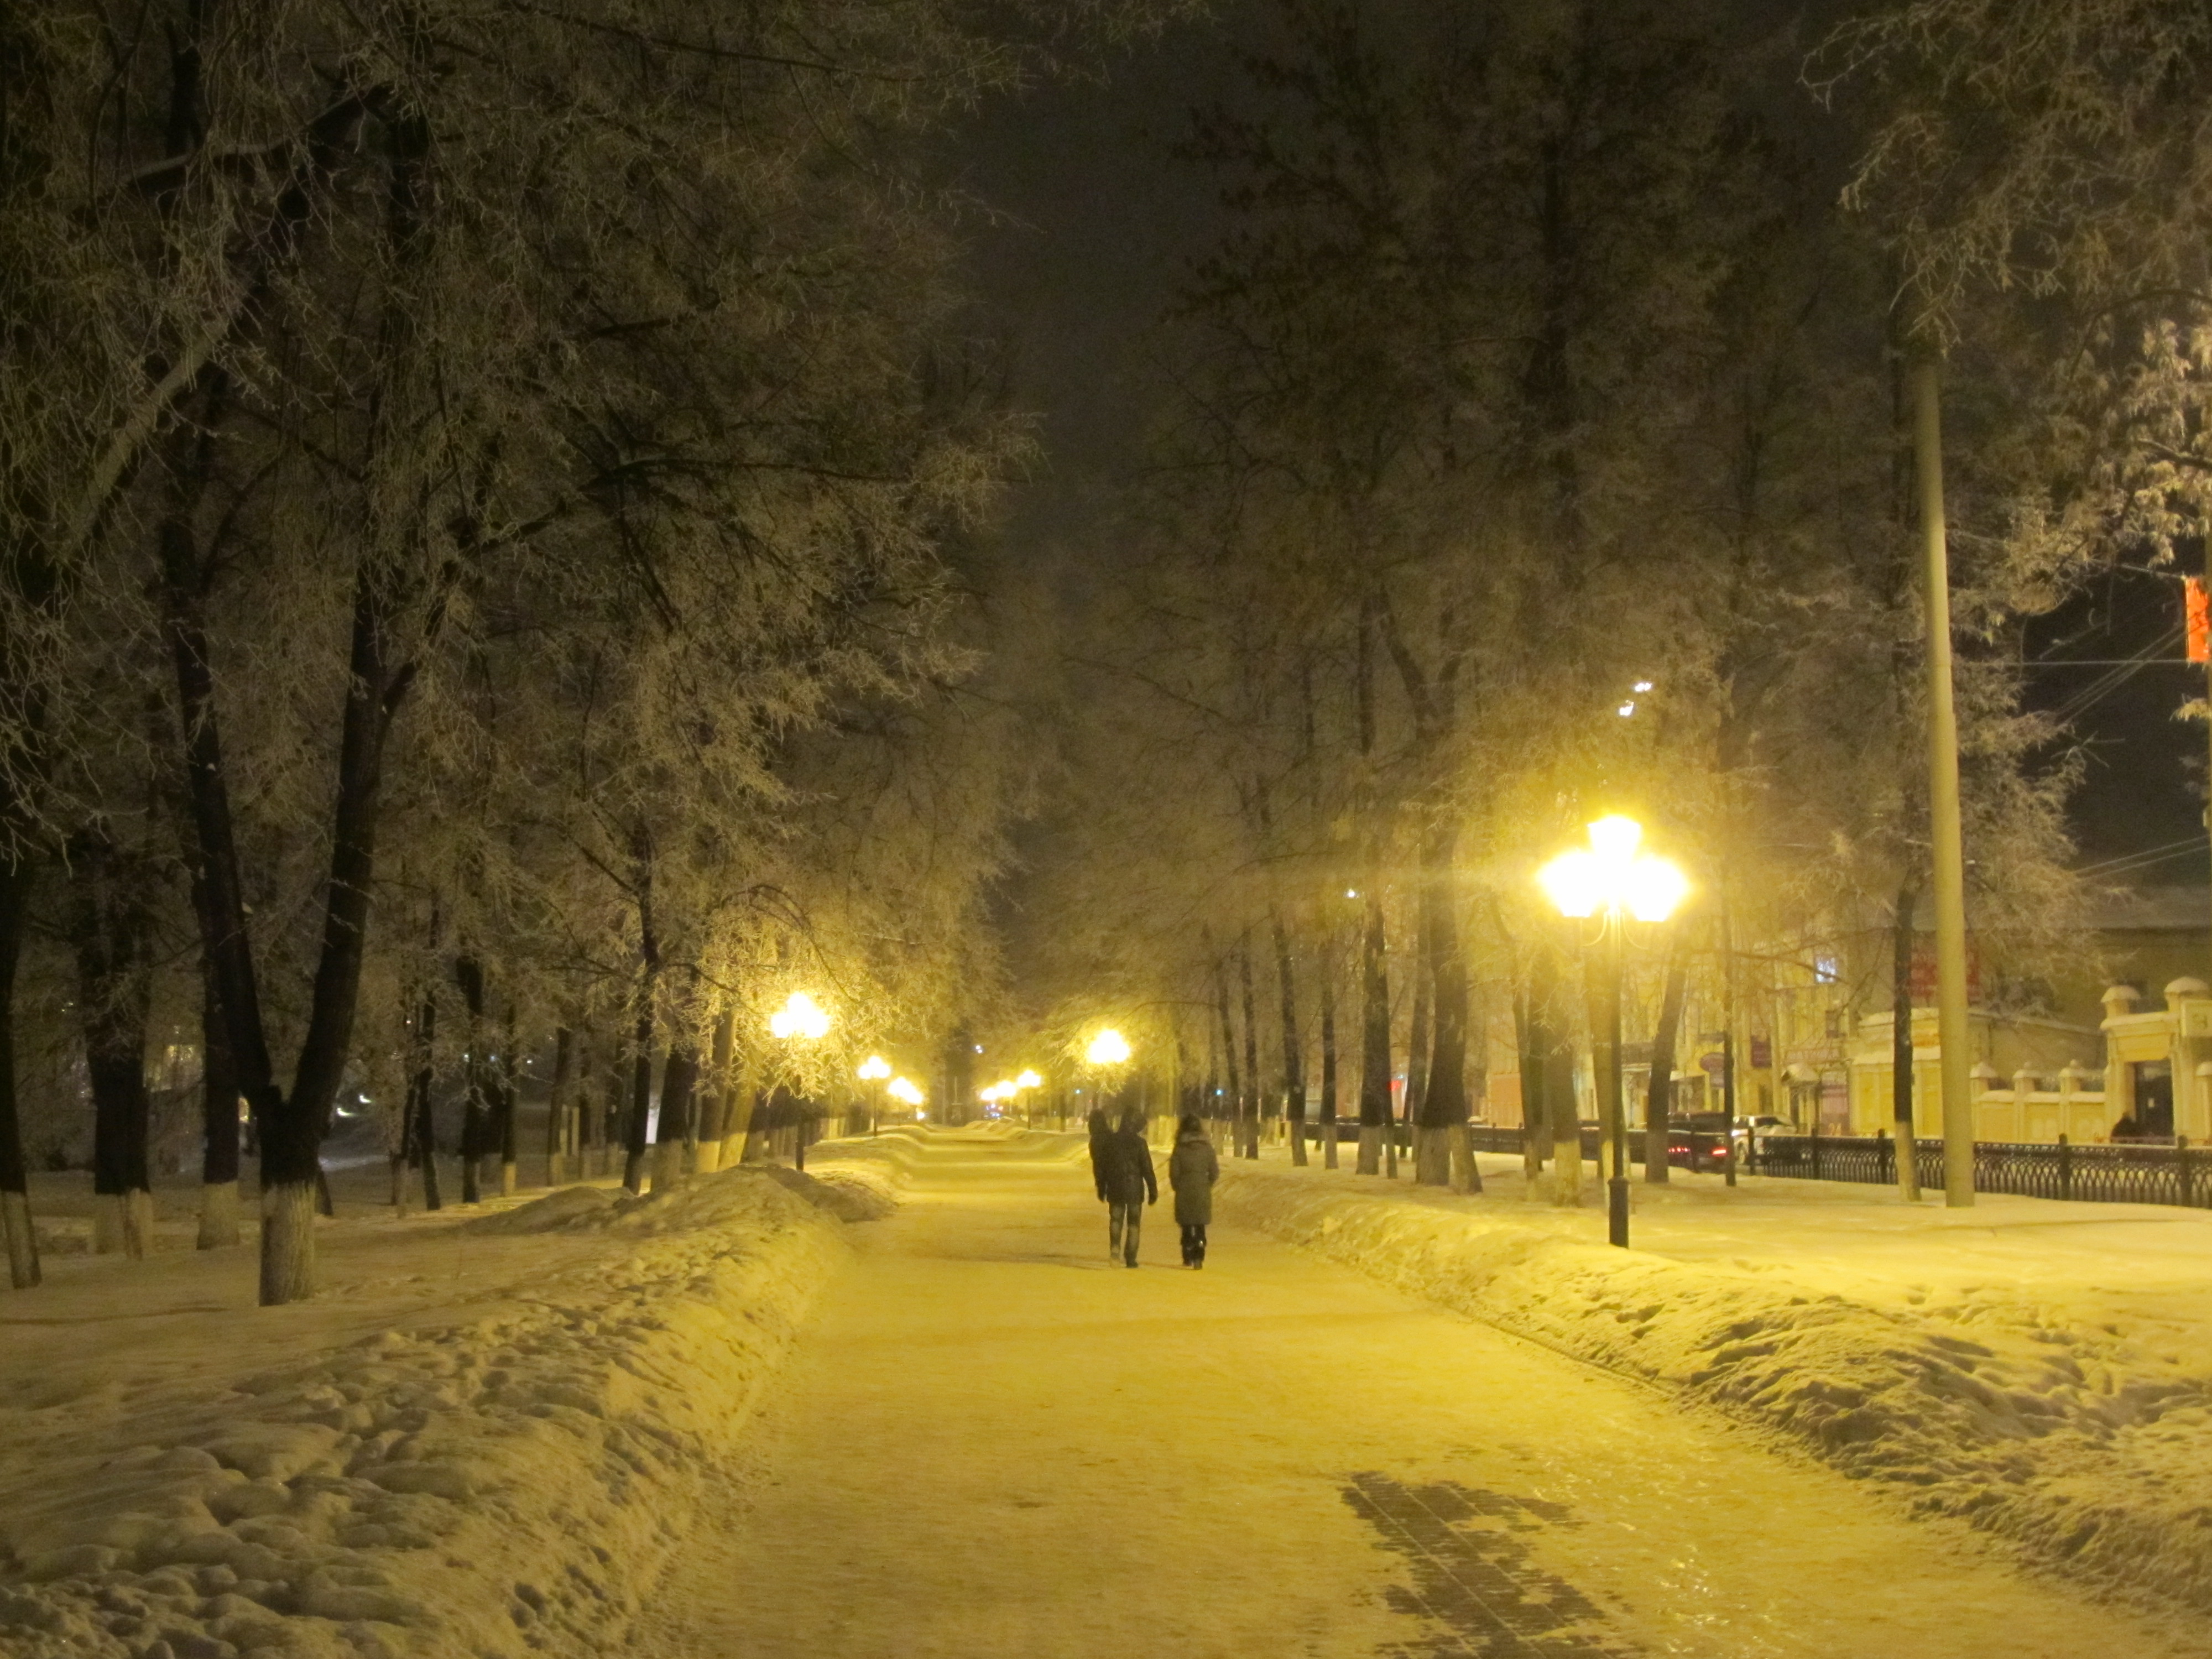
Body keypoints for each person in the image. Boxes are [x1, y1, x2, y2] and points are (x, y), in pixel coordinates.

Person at [1100, 1106, 1156, 1267]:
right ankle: (1131, 1258)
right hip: (1134, 1189)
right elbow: (1147, 1168)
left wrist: (1103, 1186)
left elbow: (1105, 1167)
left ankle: (1115, 1252)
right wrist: (1153, 1190)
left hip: (1116, 1187)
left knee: (1116, 1220)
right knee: (1134, 1223)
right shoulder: (1140, 1143)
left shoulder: (1111, 1141)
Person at [1168, 1113, 1219, 1269]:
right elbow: (1215, 1172)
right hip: (1202, 1189)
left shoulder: (1179, 1149)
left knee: (1186, 1225)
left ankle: (1188, 1254)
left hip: (1184, 1189)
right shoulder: (1208, 1149)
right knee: (1200, 1225)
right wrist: (1206, 1184)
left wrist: (1178, 1186)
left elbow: (1174, 1173)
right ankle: (1199, 1254)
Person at [1086, 1105, 1112, 1200]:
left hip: (1096, 1143)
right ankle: (1107, 1183)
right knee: (1106, 1163)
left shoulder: (1093, 1126)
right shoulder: (1108, 1131)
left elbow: (1095, 1160)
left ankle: (1101, 1184)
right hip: (1107, 1144)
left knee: (1097, 1163)